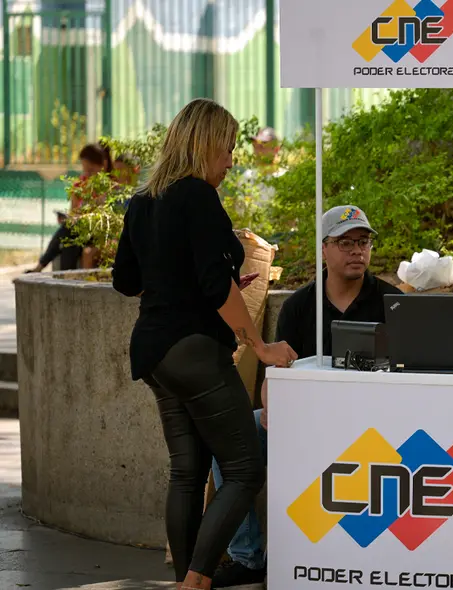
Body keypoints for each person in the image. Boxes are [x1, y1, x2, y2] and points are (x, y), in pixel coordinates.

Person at [111, 98, 297, 590]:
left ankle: (185, 581)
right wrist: (261, 346)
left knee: (187, 472)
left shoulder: (144, 200)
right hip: (194, 351)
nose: (232, 160)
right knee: (243, 470)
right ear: (207, 144)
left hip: (154, 352)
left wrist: (210, 275)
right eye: (229, 149)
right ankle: (197, 582)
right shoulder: (197, 196)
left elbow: (126, 280)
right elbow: (217, 290)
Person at [207, 204, 402, 588]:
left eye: (363, 243)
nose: (357, 251)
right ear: (324, 250)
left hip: (376, 422)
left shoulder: (392, 301)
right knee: (231, 438)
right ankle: (248, 557)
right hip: (307, 419)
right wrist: (271, 407)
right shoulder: (299, 306)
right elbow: (274, 376)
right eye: (345, 243)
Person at [26, 143, 111, 273]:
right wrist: (68, 218)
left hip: (97, 232)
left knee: (67, 232)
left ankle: (41, 267)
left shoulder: (108, 185)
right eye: (85, 169)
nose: (87, 174)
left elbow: (104, 217)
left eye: (91, 170)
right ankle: (63, 278)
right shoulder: (80, 183)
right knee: (69, 241)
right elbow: (74, 211)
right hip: (78, 230)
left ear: (103, 166)